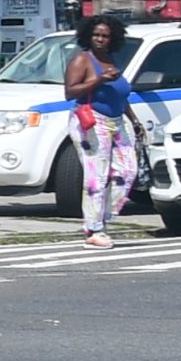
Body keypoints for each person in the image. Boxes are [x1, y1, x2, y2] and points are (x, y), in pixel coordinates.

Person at [63, 16, 146, 248]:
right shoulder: (82, 60)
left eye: (105, 36)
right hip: (92, 120)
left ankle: (101, 218)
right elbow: (70, 92)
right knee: (96, 175)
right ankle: (93, 228)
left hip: (117, 120)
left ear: (113, 39)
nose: (100, 39)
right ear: (88, 35)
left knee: (127, 170)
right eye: (96, 35)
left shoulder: (111, 60)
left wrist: (134, 121)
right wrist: (98, 80)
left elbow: (120, 95)